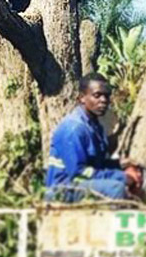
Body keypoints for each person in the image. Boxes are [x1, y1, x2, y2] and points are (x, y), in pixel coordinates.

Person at [45, 74, 136, 202]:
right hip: (63, 190)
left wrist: (118, 165)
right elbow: (79, 173)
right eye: (97, 95)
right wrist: (121, 177)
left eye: (106, 95)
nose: (104, 100)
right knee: (116, 188)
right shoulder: (74, 128)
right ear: (82, 98)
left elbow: (95, 164)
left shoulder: (95, 125)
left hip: (80, 183)